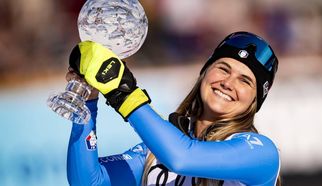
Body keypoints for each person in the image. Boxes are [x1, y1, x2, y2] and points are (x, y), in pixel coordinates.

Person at [66, 31, 281, 186]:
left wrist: (122, 92)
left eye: (245, 81)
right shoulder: (154, 153)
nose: (228, 83)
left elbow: (182, 158)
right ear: (204, 72)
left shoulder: (262, 153)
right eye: (223, 69)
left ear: (255, 100)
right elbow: (88, 181)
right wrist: (88, 100)